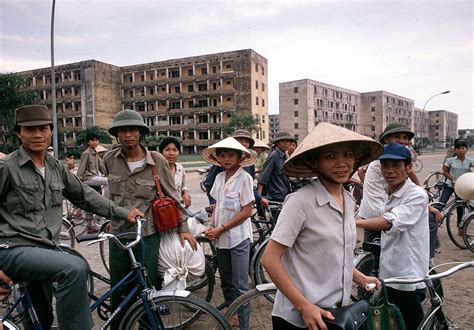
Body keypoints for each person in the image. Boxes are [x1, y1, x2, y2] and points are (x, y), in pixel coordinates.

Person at [0, 105, 143, 329]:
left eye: (43, 128)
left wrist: (124, 213)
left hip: (45, 249)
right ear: (19, 133)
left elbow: (85, 196)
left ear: (50, 131)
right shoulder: (6, 167)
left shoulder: (55, 167)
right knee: (74, 268)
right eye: (30, 129)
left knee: (40, 320)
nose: (37, 134)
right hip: (14, 249)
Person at [261, 123, 382, 329]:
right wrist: (304, 306)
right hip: (300, 319)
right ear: (314, 163)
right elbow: (269, 259)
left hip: (334, 315)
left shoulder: (348, 199)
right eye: (330, 156)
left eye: (347, 154)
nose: (342, 163)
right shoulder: (300, 202)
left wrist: (360, 278)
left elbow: (334, 254)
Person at [103, 109, 197, 326]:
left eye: (132, 130)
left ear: (141, 133)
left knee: (148, 287)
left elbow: (173, 196)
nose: (127, 135)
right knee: (119, 287)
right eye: (122, 131)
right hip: (118, 235)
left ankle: (148, 325)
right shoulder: (109, 159)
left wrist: (183, 227)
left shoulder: (157, 161)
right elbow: (104, 195)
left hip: (146, 236)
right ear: (117, 134)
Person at [356, 143, 429, 329]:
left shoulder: (416, 194)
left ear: (408, 168)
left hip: (407, 276)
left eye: (396, 166)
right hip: (390, 273)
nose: (389, 171)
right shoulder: (390, 192)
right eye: (385, 165)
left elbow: (390, 222)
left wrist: (354, 222)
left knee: (410, 323)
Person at [202, 137, 256, 328]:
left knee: (241, 285)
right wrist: (211, 224)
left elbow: (247, 211)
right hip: (221, 238)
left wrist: (222, 228)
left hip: (239, 238)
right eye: (222, 155)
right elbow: (217, 206)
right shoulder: (218, 178)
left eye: (231, 154)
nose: (226, 159)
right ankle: (232, 316)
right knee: (226, 281)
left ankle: (243, 324)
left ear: (241, 157)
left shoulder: (245, 178)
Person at [357, 123, 421, 243]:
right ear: (386, 139)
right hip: (380, 213)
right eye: (397, 137)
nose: (402, 141)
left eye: (405, 138)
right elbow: (414, 190)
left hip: (374, 211)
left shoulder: (380, 157)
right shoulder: (383, 160)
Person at [204, 129, 268, 208]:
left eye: (246, 141)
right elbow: (209, 182)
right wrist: (213, 202)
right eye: (240, 140)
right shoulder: (223, 164)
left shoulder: (249, 165)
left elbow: (250, 187)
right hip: (224, 205)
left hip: (243, 206)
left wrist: (259, 198)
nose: (244, 144)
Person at [438, 139, 474, 234]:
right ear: (455, 150)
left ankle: (460, 228)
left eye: (463, 148)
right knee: (441, 204)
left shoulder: (470, 161)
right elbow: (445, 171)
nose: (461, 150)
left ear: (466, 149)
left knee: (460, 207)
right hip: (450, 185)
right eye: (458, 148)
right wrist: (452, 178)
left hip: (462, 187)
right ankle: (433, 221)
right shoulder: (450, 160)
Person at [77, 132, 109, 232]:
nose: (95, 142)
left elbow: (102, 167)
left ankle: (90, 225)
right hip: (88, 179)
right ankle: (106, 202)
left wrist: (110, 174)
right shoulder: (86, 153)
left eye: (96, 140)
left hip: (94, 179)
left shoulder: (95, 153)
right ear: (88, 142)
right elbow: (81, 168)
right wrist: (79, 181)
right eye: (92, 140)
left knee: (90, 202)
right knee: (109, 182)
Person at [257, 131, 295, 202]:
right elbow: (264, 176)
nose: (286, 143)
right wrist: (259, 196)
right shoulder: (274, 155)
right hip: (276, 195)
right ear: (277, 143)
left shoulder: (286, 156)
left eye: (288, 141)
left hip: (285, 193)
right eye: (283, 141)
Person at [159, 137, 192, 208]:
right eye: (167, 150)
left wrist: (185, 193)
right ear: (161, 152)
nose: (171, 153)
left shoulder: (180, 168)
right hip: (162, 210)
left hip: (179, 208)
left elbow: (183, 186)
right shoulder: (156, 170)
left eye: (175, 150)